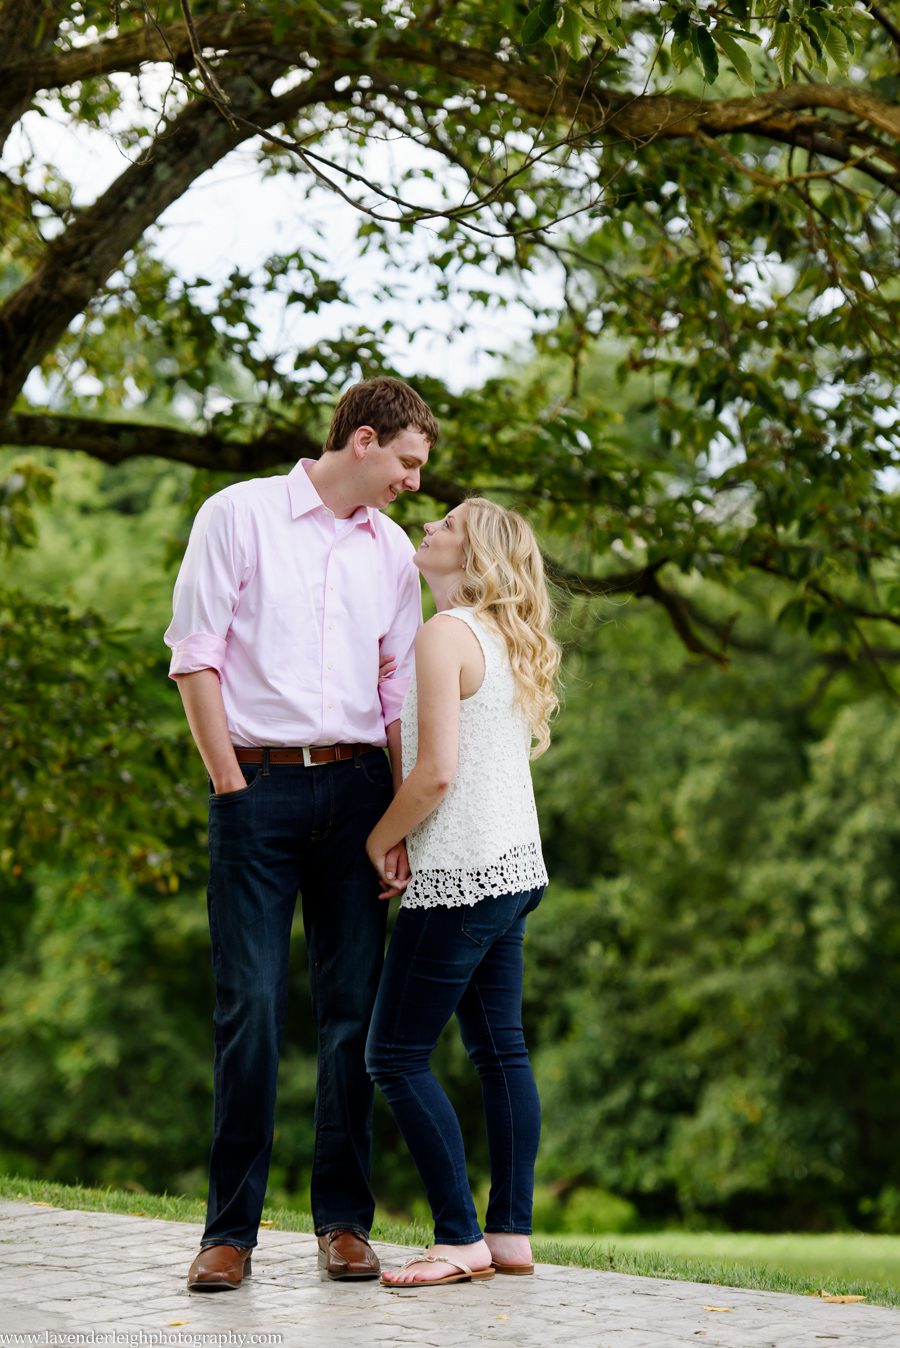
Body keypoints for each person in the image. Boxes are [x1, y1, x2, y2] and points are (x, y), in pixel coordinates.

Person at [163, 377, 437, 1290]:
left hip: (360, 794)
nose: (413, 482)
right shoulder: (237, 516)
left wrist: (399, 821)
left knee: (353, 1013)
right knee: (250, 1008)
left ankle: (344, 1223)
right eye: (407, 462)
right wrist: (230, 786)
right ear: (363, 440)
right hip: (259, 790)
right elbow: (194, 657)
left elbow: (396, 690)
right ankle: (228, 1234)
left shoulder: (392, 552)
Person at [364, 496, 560, 1287]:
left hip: (462, 878)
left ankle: (459, 1238)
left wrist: (380, 838)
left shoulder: (444, 633)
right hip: (515, 870)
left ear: (473, 555)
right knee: (500, 1051)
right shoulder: (504, 637)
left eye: (445, 525)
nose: (427, 527)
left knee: (394, 1055)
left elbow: (438, 773)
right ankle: (509, 1233)